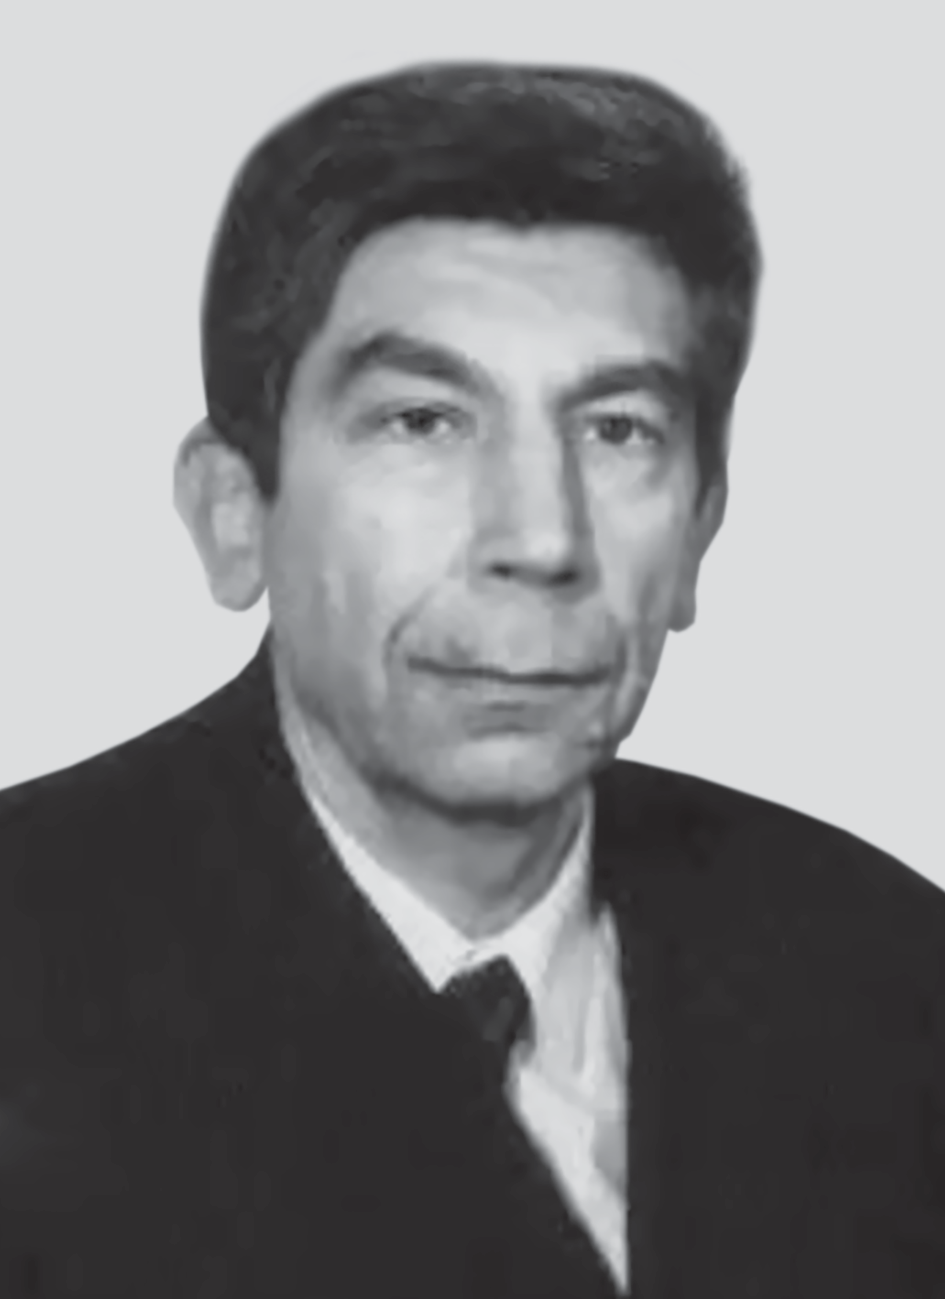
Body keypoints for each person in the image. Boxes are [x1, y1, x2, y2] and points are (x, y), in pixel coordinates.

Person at [0, 60, 942, 1299]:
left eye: (618, 431)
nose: (542, 540)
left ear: (699, 535)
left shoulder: (892, 978)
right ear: (235, 510)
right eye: (424, 422)